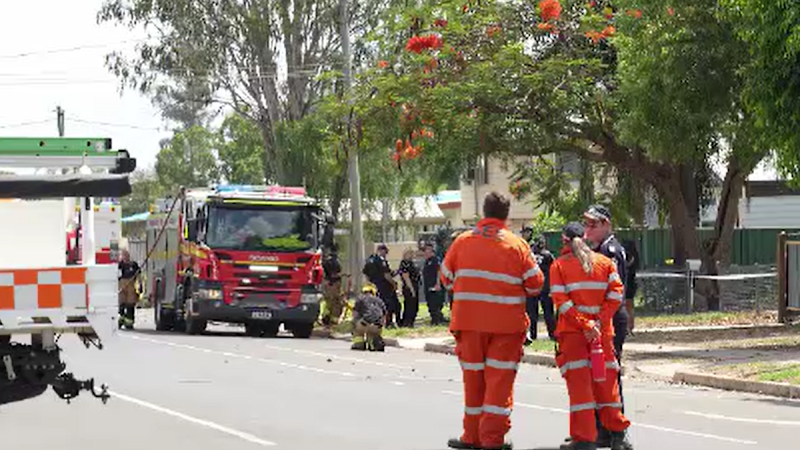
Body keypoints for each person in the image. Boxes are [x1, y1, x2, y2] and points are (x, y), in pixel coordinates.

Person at [441, 192, 544, 450]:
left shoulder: (462, 242)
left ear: (484, 213)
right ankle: (491, 439)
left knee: (473, 382)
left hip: (469, 325)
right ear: (506, 216)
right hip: (506, 328)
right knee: (498, 384)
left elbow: (446, 278)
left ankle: (471, 436)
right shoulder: (518, 245)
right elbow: (535, 285)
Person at [551, 222, 632, 450]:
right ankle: (618, 436)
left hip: (574, 336)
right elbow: (616, 295)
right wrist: (598, 322)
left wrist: (585, 324)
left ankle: (585, 438)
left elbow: (561, 302)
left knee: (581, 389)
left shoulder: (559, 266)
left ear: (564, 240)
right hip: (601, 336)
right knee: (606, 386)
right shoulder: (605, 263)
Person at [582, 204, 631, 448]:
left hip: (609, 318)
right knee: (598, 375)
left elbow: (614, 292)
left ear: (606, 225)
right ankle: (602, 428)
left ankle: (616, 430)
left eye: (593, 224)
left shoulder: (610, 250)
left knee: (609, 374)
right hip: (600, 318)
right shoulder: (596, 249)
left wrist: (600, 321)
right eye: (586, 224)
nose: (588, 229)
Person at [363, 244, 401, 327]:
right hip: (384, 286)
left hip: (375, 286)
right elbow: (386, 275)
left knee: (378, 305)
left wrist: (370, 284)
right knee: (391, 305)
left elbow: (366, 274)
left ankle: (379, 322)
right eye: (385, 252)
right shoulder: (381, 260)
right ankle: (389, 323)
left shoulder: (370, 260)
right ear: (381, 250)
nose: (385, 254)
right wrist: (394, 284)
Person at [528, 234, 556, 342]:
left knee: (533, 313)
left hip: (534, 287)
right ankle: (552, 334)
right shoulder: (548, 255)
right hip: (545, 287)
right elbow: (554, 269)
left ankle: (533, 335)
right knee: (548, 313)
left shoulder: (530, 255)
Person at [351, 283, 387, 352]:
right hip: (377, 326)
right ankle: (374, 342)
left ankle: (359, 343)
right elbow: (384, 315)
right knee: (372, 332)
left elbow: (355, 315)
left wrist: (354, 324)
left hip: (365, 324)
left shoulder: (360, 299)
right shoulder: (379, 300)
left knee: (356, 326)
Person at [422, 242, 448, 325]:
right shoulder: (427, 261)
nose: (426, 252)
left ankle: (437, 320)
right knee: (431, 303)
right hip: (428, 285)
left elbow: (439, 271)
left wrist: (438, 283)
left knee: (435, 303)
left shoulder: (434, 260)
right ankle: (436, 318)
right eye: (425, 250)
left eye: (428, 250)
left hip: (434, 285)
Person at [321, 245, 345, 327]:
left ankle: (326, 318)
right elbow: (335, 274)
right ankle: (331, 320)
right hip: (333, 284)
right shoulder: (335, 261)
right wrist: (343, 275)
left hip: (327, 283)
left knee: (328, 302)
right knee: (336, 302)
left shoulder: (326, 261)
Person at [398, 248, 421, 327]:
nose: (411, 255)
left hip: (415, 285)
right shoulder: (404, 263)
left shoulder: (411, 263)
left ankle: (411, 321)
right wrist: (412, 289)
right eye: (410, 254)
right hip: (409, 286)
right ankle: (407, 322)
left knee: (414, 305)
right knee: (410, 305)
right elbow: (406, 276)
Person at [117, 249, 140, 330]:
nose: (126, 257)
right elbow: (117, 275)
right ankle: (120, 320)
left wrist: (139, 285)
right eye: (124, 255)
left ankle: (129, 322)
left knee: (130, 304)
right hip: (122, 285)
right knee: (121, 303)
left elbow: (138, 274)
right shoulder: (120, 265)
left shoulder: (134, 265)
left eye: (127, 255)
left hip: (131, 285)